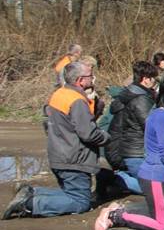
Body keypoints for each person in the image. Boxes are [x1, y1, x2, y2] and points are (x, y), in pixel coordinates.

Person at [4, 61, 109, 220]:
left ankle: (32, 192)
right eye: (90, 76)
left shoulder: (59, 94)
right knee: (80, 201)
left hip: (59, 154)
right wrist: (106, 137)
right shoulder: (77, 101)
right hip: (73, 158)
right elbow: (88, 133)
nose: (92, 79)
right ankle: (30, 204)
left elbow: (50, 123)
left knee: (71, 193)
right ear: (80, 80)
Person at [93, 77, 164, 230]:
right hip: (156, 175)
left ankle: (117, 210)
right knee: (163, 226)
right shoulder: (161, 117)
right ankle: (114, 218)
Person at [106, 60, 159, 194]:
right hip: (131, 151)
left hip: (121, 148)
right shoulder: (140, 99)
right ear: (146, 79)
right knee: (156, 190)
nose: (155, 82)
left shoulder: (129, 94)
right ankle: (116, 179)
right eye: (154, 79)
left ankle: (120, 178)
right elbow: (151, 127)